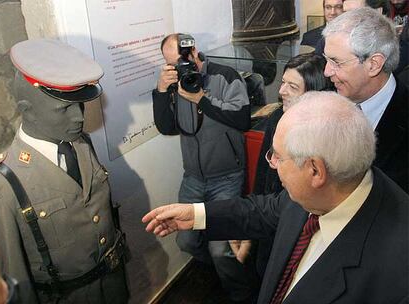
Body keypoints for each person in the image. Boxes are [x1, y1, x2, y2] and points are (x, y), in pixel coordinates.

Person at [143, 91, 409, 304]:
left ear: (315, 170)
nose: (271, 163)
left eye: (278, 156)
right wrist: (196, 214)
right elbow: (263, 211)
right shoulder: (325, 191)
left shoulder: (396, 278)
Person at [0, 39, 128, 303]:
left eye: (79, 105)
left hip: (113, 287)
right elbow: (16, 276)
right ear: (27, 111)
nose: (79, 117)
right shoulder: (6, 183)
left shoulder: (81, 143)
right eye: (64, 108)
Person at [152, 33, 256, 302]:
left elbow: (242, 119)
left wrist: (201, 98)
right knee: (186, 241)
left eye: (181, 61)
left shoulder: (225, 75)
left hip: (227, 176)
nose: (180, 68)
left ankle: (241, 295)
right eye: (172, 64)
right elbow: (167, 127)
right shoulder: (176, 83)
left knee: (222, 249)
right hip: (194, 178)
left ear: (193, 50)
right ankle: (218, 273)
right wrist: (162, 91)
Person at [252, 53, 333, 279]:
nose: (281, 91)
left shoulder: (327, 135)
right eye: (283, 82)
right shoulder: (278, 117)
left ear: (314, 94)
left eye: (292, 86)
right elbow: (262, 174)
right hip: (269, 219)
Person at [322, 7, 408, 193]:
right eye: (326, 60)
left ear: (373, 64)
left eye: (336, 62)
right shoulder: (323, 102)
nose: (326, 72)